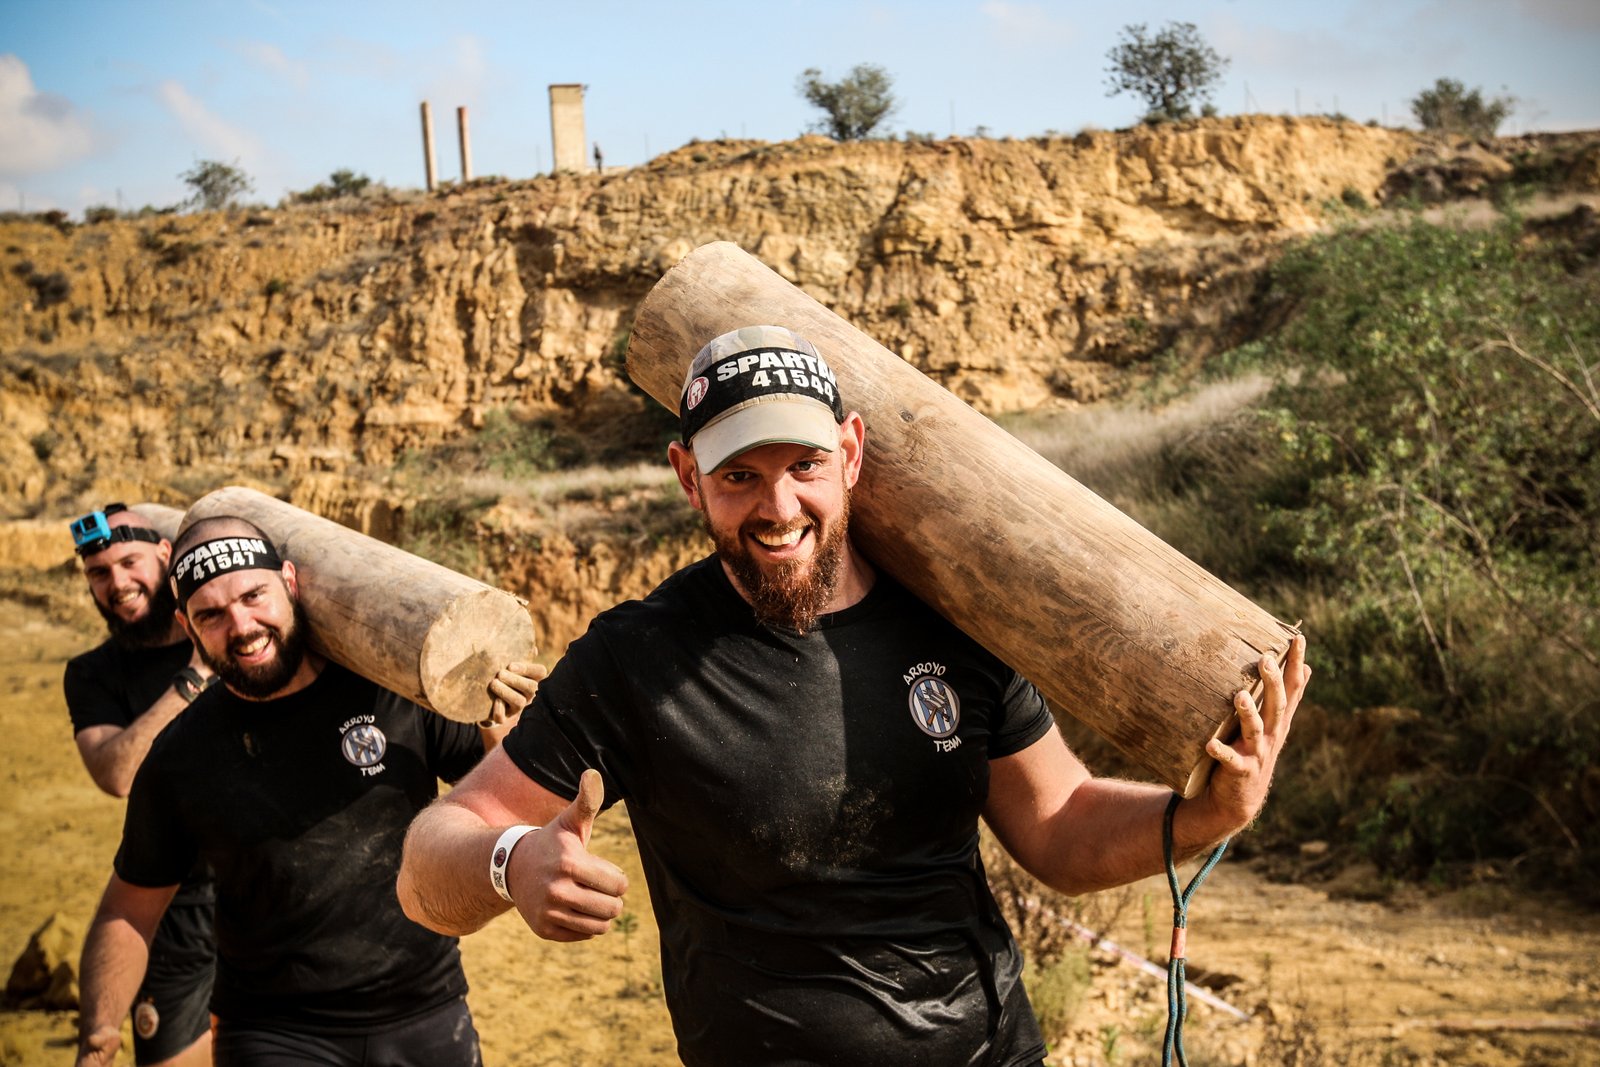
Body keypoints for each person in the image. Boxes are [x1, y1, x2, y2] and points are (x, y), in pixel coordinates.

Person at [396, 325, 1312, 1066]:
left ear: (852, 452)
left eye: (804, 465)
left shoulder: (957, 621)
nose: (778, 506)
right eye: (739, 475)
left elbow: (1059, 825)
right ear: (687, 477)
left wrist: (1207, 815)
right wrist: (512, 860)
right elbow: (427, 861)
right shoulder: (638, 657)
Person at [75, 515, 545, 1067]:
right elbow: (128, 911)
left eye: (253, 596)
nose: (242, 626)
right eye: (211, 615)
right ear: (187, 626)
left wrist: (500, 716)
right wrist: (99, 1034)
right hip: (275, 1032)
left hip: (426, 1006)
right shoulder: (180, 756)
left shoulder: (395, 692)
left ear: (290, 583)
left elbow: (504, 808)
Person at [64, 503, 218, 1067]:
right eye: (99, 573)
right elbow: (117, 773)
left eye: (130, 563)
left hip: (272, 893)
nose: (117, 584)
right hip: (170, 903)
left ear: (165, 555)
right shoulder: (93, 672)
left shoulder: (231, 628)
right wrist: (196, 676)